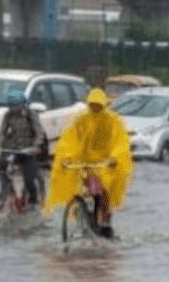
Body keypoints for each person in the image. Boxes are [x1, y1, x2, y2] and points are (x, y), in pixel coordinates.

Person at [44, 88, 134, 238]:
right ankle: (84, 213)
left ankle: (105, 221)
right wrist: (66, 158)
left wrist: (115, 158)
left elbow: (120, 142)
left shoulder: (112, 120)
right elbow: (70, 139)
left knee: (104, 191)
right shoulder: (81, 119)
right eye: (92, 105)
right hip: (84, 162)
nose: (95, 108)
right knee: (86, 186)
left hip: (105, 163)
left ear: (104, 105)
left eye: (98, 105)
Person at [0, 90, 46, 206]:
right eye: (12, 105)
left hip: (28, 148)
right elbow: (2, 131)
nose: (15, 107)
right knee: (3, 168)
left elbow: (39, 132)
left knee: (29, 178)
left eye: (17, 104)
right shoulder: (8, 115)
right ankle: (4, 191)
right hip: (13, 147)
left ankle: (33, 200)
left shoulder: (30, 114)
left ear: (23, 104)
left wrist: (36, 145)